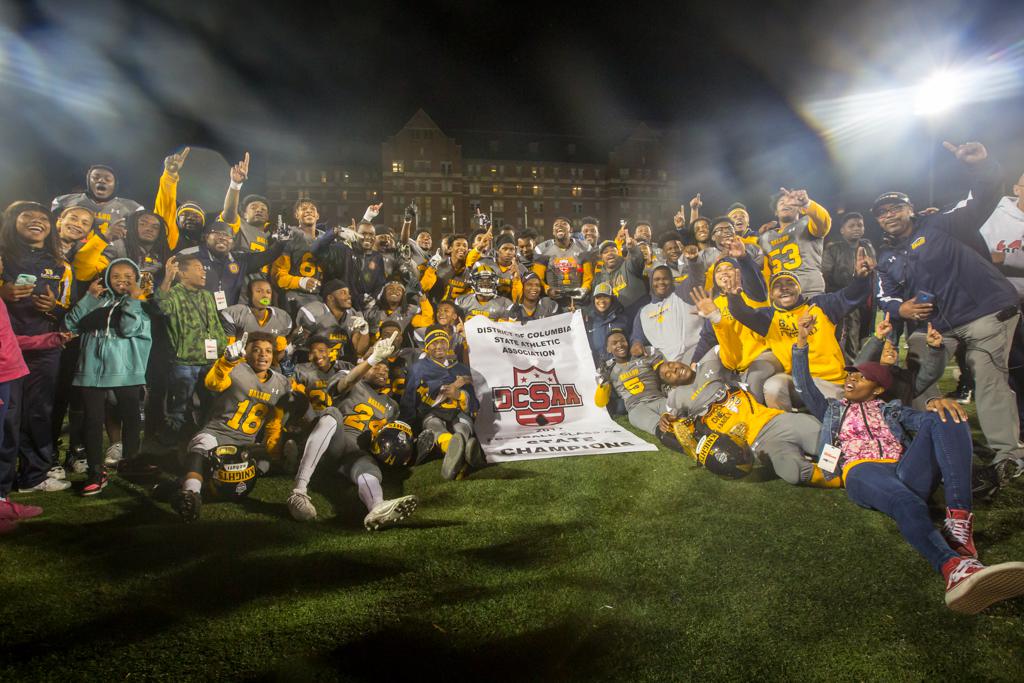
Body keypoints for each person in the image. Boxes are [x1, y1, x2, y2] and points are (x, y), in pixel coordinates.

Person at [791, 313, 1024, 613]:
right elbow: (803, 384)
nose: (851, 378)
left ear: (877, 389)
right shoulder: (833, 409)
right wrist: (801, 341)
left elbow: (923, 421)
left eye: (860, 376)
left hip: (902, 467)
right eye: (850, 375)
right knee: (908, 503)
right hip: (861, 471)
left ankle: (959, 525)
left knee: (947, 418)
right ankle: (953, 568)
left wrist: (933, 403)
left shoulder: (891, 409)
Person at [873, 141, 1024, 481]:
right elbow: (885, 297)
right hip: (939, 326)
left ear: (911, 209)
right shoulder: (887, 258)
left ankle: (1008, 455)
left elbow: (984, 195)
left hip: (985, 311)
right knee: (915, 372)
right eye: (882, 213)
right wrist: (903, 307)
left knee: (989, 380)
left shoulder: (942, 224)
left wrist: (981, 164)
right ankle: (935, 433)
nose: (889, 215)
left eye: (895, 207)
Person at [286, 333, 418, 529]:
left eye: (385, 366)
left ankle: (377, 508)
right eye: (377, 364)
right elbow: (347, 382)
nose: (382, 369)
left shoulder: (391, 406)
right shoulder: (349, 378)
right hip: (333, 442)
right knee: (331, 414)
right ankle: (299, 491)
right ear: (363, 367)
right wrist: (371, 359)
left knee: (369, 469)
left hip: (357, 454)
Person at [727, 245, 874, 410]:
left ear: (799, 289)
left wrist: (861, 279)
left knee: (836, 422)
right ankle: (787, 428)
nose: (784, 288)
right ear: (772, 295)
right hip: (798, 381)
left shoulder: (821, 305)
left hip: (829, 381)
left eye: (790, 283)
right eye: (777, 285)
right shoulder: (768, 318)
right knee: (773, 386)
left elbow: (850, 296)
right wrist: (733, 297)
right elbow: (742, 312)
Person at [656, 357, 835, 487]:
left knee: (818, 434)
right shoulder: (676, 397)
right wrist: (665, 419)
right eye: (667, 374)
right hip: (755, 445)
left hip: (772, 421)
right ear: (669, 385)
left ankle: (844, 468)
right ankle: (840, 480)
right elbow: (668, 424)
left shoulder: (710, 361)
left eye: (671, 364)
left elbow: (731, 347)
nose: (673, 369)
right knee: (793, 472)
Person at [172, 332, 290, 522]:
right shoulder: (235, 368)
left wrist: (273, 449)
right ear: (246, 352)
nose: (263, 355)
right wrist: (226, 362)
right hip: (218, 433)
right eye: (257, 350)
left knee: (266, 463)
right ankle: (191, 494)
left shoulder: (282, 382)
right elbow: (213, 383)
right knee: (200, 446)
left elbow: (275, 422)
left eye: (268, 351)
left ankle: (193, 479)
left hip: (247, 443)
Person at [0, 202, 73, 493]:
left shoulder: (60, 264)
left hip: (44, 348)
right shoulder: (2, 257)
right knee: (7, 416)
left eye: (43, 217)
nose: (36, 221)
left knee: (39, 411)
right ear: (12, 221)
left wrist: (54, 309)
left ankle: (34, 475)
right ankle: (3, 483)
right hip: (6, 350)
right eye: (27, 215)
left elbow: (68, 307)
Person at [65, 259, 152, 493]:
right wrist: (89, 298)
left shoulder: (141, 303)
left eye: (128, 275)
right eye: (115, 275)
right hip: (90, 371)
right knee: (92, 421)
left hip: (126, 371)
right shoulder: (96, 301)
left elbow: (129, 328)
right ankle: (95, 470)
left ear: (137, 279)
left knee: (131, 419)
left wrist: (134, 300)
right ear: (106, 278)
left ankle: (131, 463)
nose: (121, 280)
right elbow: (70, 325)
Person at [0, 254, 69, 525]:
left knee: (6, 440)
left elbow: (10, 340)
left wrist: (48, 339)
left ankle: (2, 500)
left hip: (11, 375)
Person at [687, 255, 779, 405]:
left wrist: (743, 258)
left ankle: (757, 421)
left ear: (739, 273)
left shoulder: (751, 292)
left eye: (729, 268)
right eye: (719, 270)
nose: (723, 272)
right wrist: (695, 361)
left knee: (754, 378)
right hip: (736, 363)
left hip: (763, 355)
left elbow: (754, 277)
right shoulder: (714, 303)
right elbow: (708, 337)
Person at [155, 253, 227, 437]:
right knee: (179, 404)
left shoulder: (207, 295)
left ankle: (206, 438)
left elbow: (215, 324)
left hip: (210, 360)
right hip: (184, 362)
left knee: (211, 402)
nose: (204, 272)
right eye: (198, 268)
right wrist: (168, 278)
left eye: (203, 268)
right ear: (183, 274)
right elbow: (161, 307)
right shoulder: (172, 294)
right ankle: (171, 440)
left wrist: (222, 348)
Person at [401, 326, 482, 480]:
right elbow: (409, 400)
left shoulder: (461, 368)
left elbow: (475, 401)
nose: (439, 346)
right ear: (426, 346)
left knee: (462, 428)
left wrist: (459, 395)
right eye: (433, 343)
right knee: (435, 426)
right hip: (431, 413)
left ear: (448, 344)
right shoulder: (417, 369)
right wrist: (408, 427)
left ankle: (459, 451)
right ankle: (462, 451)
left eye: (442, 342)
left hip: (458, 412)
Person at [822, 212, 875, 360]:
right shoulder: (833, 249)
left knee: (865, 336)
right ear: (842, 230)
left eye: (860, 225)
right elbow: (825, 275)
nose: (856, 228)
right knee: (849, 337)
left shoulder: (867, 246)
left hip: (867, 300)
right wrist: (843, 295)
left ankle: (864, 368)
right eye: (851, 226)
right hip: (845, 300)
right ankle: (850, 370)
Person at [758, 188, 832, 295]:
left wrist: (807, 203)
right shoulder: (765, 238)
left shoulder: (808, 223)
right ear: (776, 212)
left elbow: (824, 222)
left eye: (790, 202)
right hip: (782, 296)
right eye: (781, 203)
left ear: (800, 209)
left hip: (809, 292)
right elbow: (757, 265)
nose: (785, 205)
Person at [596, 331, 667, 434]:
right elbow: (600, 403)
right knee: (660, 429)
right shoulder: (606, 369)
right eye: (614, 343)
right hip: (636, 407)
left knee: (680, 417)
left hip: (658, 398)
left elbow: (664, 372)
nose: (620, 344)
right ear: (608, 349)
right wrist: (604, 383)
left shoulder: (644, 353)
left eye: (622, 341)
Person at [630, 265, 700, 363]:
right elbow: (637, 338)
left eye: (665, 279)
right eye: (657, 279)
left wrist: (693, 261)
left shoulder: (682, 294)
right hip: (669, 365)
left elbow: (695, 277)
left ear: (672, 280)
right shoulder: (643, 311)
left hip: (696, 354)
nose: (661, 282)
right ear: (651, 283)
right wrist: (636, 344)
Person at [293, 280, 370, 363]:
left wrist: (364, 331)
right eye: (343, 293)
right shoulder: (315, 312)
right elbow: (300, 347)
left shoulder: (353, 314)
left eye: (348, 293)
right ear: (330, 298)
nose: (349, 296)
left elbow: (359, 351)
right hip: (314, 364)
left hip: (340, 364)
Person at [52, 165, 142, 234]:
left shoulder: (131, 207)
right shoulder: (65, 202)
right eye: (96, 177)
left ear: (115, 185)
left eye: (108, 179)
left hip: (112, 257)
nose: (101, 180)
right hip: (70, 255)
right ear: (88, 181)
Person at [271, 199, 324, 315]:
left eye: (312, 209)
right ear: (296, 215)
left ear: (317, 215)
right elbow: (278, 275)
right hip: (295, 295)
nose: (308, 211)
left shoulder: (325, 238)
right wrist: (300, 282)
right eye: (304, 209)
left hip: (320, 295)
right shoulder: (290, 235)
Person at [219, 278, 293, 355]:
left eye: (268, 292)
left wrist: (292, 343)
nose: (264, 295)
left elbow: (279, 355)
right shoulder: (235, 314)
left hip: (266, 363)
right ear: (248, 294)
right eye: (259, 291)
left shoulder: (282, 318)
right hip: (240, 362)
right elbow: (228, 352)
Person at [533, 217, 594, 307]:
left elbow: (588, 276)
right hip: (553, 301)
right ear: (553, 231)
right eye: (556, 225)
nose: (560, 226)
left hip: (578, 300)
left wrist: (584, 289)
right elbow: (538, 277)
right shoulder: (543, 249)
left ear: (571, 230)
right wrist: (548, 290)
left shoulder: (583, 247)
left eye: (564, 224)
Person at [595, 238, 649, 322]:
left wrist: (633, 249)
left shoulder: (628, 264)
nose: (610, 253)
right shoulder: (599, 278)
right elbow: (595, 301)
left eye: (613, 250)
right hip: (617, 319)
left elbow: (637, 260)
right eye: (605, 252)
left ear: (618, 252)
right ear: (601, 257)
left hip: (641, 314)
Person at [364, 276, 434, 338]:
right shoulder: (373, 310)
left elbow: (427, 321)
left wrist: (421, 293)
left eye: (399, 289)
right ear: (384, 293)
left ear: (403, 295)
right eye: (390, 288)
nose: (394, 291)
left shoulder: (408, 311)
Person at [420, 233, 472, 302]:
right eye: (458, 245)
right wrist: (431, 268)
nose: (462, 248)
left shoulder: (471, 271)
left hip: (457, 311)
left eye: (465, 246)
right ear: (450, 249)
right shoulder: (438, 265)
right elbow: (423, 288)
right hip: (436, 308)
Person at [584, 283, 627, 364]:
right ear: (594, 300)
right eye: (598, 297)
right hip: (599, 369)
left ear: (612, 299)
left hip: (621, 366)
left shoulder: (623, 318)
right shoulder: (588, 320)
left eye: (606, 297)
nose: (602, 301)